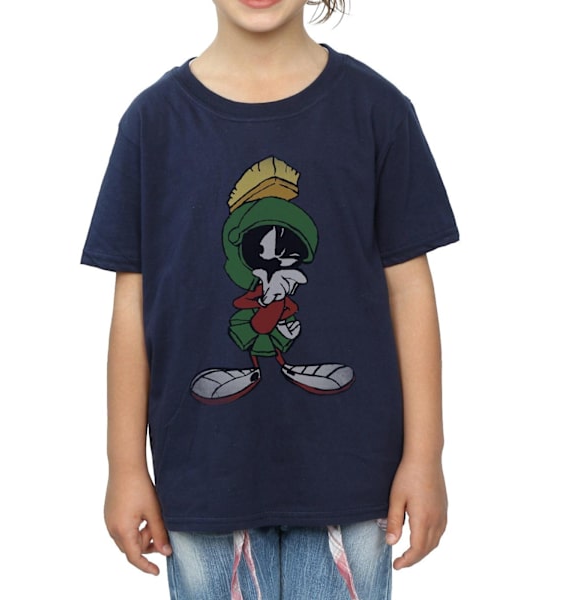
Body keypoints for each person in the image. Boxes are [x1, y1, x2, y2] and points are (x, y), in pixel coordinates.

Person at [81, 1, 459, 598]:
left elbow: (409, 289)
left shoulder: (377, 111)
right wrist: (124, 467)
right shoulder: (152, 124)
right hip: (203, 479)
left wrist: (426, 455)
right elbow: (132, 305)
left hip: (354, 477)